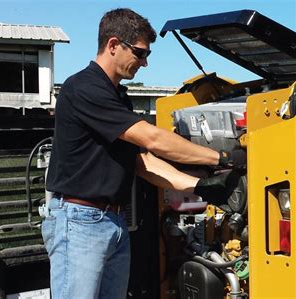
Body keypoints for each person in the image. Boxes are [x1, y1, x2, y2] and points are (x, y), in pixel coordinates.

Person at [42, 8, 241, 299]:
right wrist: (220, 158)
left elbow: (142, 162)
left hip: (113, 223)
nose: (144, 63)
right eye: (139, 53)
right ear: (113, 45)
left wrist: (200, 186)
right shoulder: (84, 88)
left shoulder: (117, 96)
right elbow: (152, 139)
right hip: (80, 222)